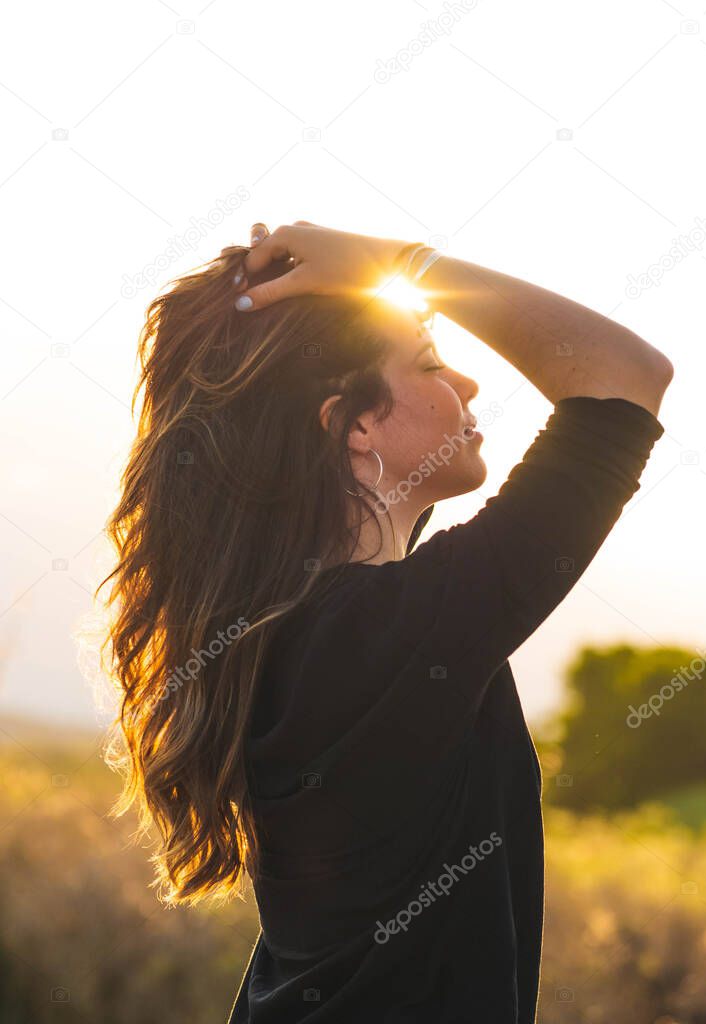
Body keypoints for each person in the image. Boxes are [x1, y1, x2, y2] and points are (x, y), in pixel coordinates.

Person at [98, 221, 673, 1024]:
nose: (468, 384)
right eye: (431, 364)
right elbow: (623, 381)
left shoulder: (294, 628)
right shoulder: (383, 635)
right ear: (352, 424)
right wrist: (399, 264)